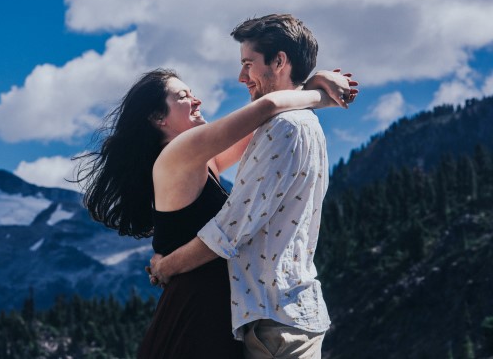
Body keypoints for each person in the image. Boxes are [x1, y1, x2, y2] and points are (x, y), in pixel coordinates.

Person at [75, 59, 354, 357]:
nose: (197, 100)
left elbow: (264, 121)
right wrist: (322, 94)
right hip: (197, 309)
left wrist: (312, 83)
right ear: (159, 117)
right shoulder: (178, 154)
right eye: (183, 97)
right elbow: (267, 107)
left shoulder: (201, 161)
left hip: (211, 305)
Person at [149, 14, 355, 359]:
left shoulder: (283, 128)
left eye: (248, 64)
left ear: (279, 61)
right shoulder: (292, 123)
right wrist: (314, 89)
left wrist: (164, 267)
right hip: (279, 312)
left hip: (275, 320)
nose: (241, 76)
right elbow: (265, 109)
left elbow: (230, 229)